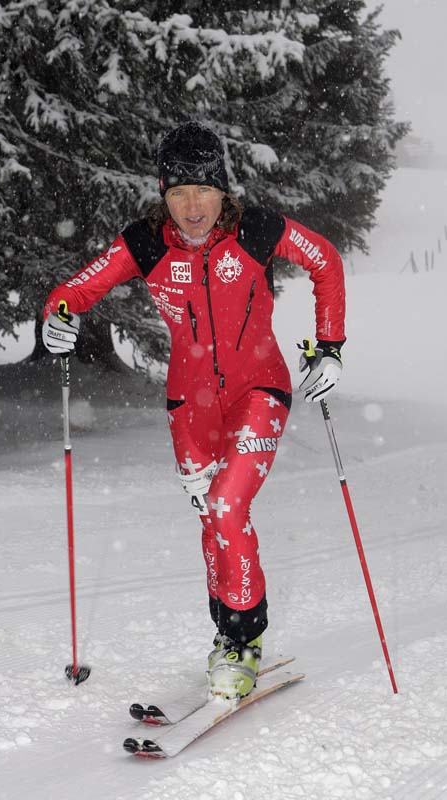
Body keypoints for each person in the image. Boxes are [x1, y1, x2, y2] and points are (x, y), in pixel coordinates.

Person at [42, 121, 346, 700]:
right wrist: (57, 317)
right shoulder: (146, 243)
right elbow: (74, 292)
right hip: (188, 404)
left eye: (204, 189)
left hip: (260, 390)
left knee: (228, 505)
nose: (193, 206)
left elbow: (325, 261)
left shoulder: (257, 230)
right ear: (164, 194)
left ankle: (244, 638)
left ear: (223, 190)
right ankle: (225, 632)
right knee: (211, 518)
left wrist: (330, 347)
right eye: (179, 191)